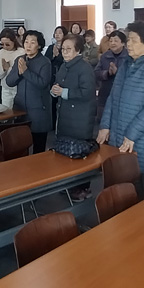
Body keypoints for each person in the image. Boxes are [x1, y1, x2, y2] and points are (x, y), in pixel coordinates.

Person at [97, 20, 144, 198]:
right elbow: (113, 97)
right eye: (128, 40)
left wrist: (131, 133)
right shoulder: (125, 65)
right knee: (128, 193)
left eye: (134, 40)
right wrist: (105, 125)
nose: (129, 44)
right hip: (124, 139)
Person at [52, 33, 97, 199]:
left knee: (80, 153)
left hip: (80, 117)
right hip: (65, 114)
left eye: (68, 49)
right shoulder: (64, 66)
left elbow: (87, 92)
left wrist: (64, 92)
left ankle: (82, 188)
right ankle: (68, 185)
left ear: (78, 50)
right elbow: (59, 85)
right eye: (63, 49)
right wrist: (55, 90)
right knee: (65, 151)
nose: (64, 52)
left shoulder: (84, 67)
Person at [6, 29, 54, 154]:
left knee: (38, 148)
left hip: (38, 110)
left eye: (32, 42)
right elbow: (9, 82)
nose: (28, 45)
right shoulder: (20, 59)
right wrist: (19, 72)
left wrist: (26, 72)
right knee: (20, 147)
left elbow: (43, 83)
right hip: (21, 108)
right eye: (26, 42)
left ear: (39, 45)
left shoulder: (45, 62)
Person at [94, 30, 130, 124]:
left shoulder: (129, 57)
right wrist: (107, 73)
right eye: (110, 41)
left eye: (116, 41)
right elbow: (96, 73)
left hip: (123, 95)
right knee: (103, 122)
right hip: (105, 93)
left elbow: (132, 76)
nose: (113, 43)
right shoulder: (105, 56)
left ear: (123, 43)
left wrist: (117, 72)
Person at [0, 30, 25, 112]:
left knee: (19, 111)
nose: (5, 47)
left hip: (18, 87)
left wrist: (9, 68)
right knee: (6, 111)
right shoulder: (0, 53)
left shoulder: (21, 52)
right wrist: (3, 69)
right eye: (2, 44)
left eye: (7, 44)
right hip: (5, 87)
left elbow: (22, 72)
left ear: (14, 41)